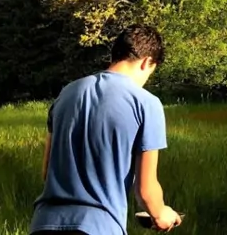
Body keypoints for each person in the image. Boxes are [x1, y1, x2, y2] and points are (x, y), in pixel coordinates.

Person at [29, 24, 183, 235]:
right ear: (147, 62)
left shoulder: (66, 93)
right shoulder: (146, 103)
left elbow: (47, 171)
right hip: (99, 226)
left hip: (44, 223)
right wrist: (162, 214)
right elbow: (145, 190)